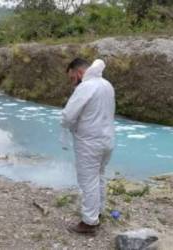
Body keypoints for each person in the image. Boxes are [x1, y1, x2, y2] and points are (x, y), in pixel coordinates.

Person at [61, 58, 115, 235]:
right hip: (107, 139)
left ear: (78, 73)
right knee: (99, 176)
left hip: (89, 142)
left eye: (71, 78)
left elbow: (68, 116)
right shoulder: (107, 85)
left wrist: (67, 127)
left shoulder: (86, 86)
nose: (72, 82)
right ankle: (98, 211)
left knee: (88, 181)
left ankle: (89, 223)